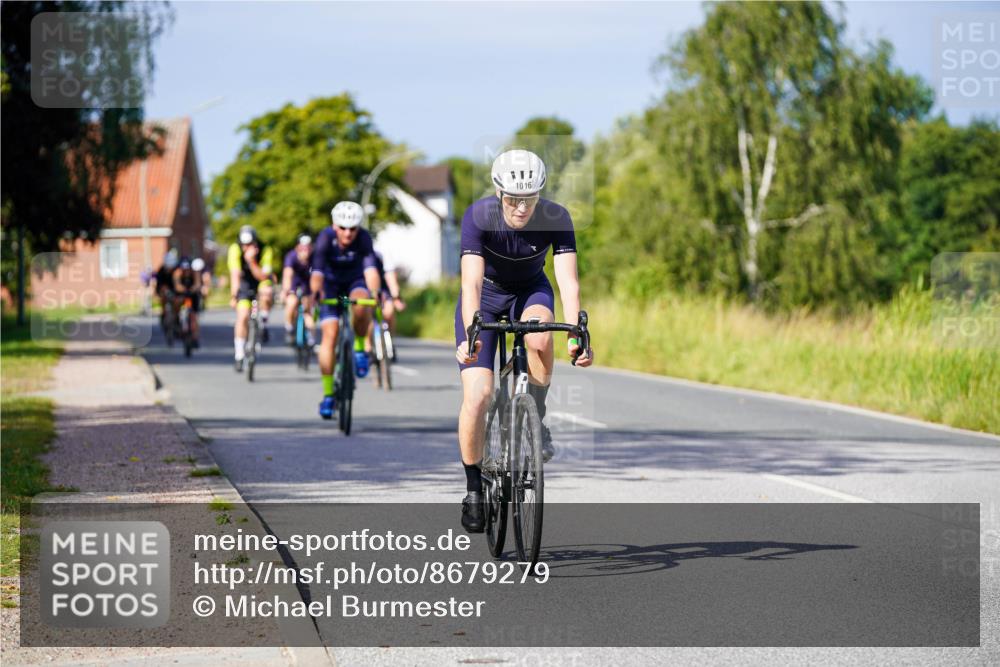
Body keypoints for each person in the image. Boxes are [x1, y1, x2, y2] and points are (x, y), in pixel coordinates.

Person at [453, 149, 594, 533]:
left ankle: (536, 415)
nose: (520, 207)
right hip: (486, 296)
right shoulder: (479, 216)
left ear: (539, 195)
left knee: (541, 336)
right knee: (479, 395)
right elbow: (471, 283)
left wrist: (578, 331)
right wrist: (471, 332)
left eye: (529, 199)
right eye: (513, 199)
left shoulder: (557, 217)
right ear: (499, 193)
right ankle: (473, 489)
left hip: (531, 291)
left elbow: (568, 281)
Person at [310, 201, 382, 419]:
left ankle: (360, 348)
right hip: (330, 285)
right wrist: (315, 294)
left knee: (362, 304)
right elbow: (317, 273)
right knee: (329, 338)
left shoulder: (364, 239)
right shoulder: (324, 239)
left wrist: (376, 292)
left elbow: (371, 271)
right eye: (343, 228)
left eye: (353, 228)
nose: (348, 233)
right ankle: (329, 394)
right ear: (334, 226)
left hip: (355, 282)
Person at [228, 225, 275, 372]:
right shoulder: (234, 249)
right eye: (244, 245)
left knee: (266, 292)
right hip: (244, 282)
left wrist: (251, 261)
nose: (246, 248)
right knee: (242, 316)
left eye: (250, 244)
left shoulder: (266, 250)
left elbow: (263, 276)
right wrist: (234, 295)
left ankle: (264, 323)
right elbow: (235, 274)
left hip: (260, 279)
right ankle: (239, 354)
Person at [282, 234, 315, 346]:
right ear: (297, 248)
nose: (305, 251)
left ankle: (311, 338)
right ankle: (289, 327)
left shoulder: (314, 258)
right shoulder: (291, 257)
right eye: (302, 248)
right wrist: (286, 290)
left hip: (308, 285)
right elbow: (288, 274)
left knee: (308, 310)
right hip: (294, 284)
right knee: (292, 302)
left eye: (308, 248)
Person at [372, 248, 406, 346]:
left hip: (383, 287)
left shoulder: (383, 253)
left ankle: (389, 341)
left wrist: (396, 297)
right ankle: (368, 347)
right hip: (366, 286)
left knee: (389, 312)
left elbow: (391, 279)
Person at [172, 256, 202, 346]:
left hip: (192, 295)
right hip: (182, 294)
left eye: (188, 269)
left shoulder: (195, 273)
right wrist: (183, 289)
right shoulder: (177, 273)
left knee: (194, 316)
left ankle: (195, 337)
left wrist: (193, 289)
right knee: (177, 302)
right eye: (184, 269)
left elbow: (197, 284)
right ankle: (177, 322)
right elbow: (177, 285)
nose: (186, 271)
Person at [155, 249, 179, 335]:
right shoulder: (161, 270)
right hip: (163, 288)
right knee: (163, 299)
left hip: (174, 289)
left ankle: (177, 318)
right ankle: (163, 314)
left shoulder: (176, 270)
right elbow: (159, 284)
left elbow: (178, 283)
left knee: (177, 302)